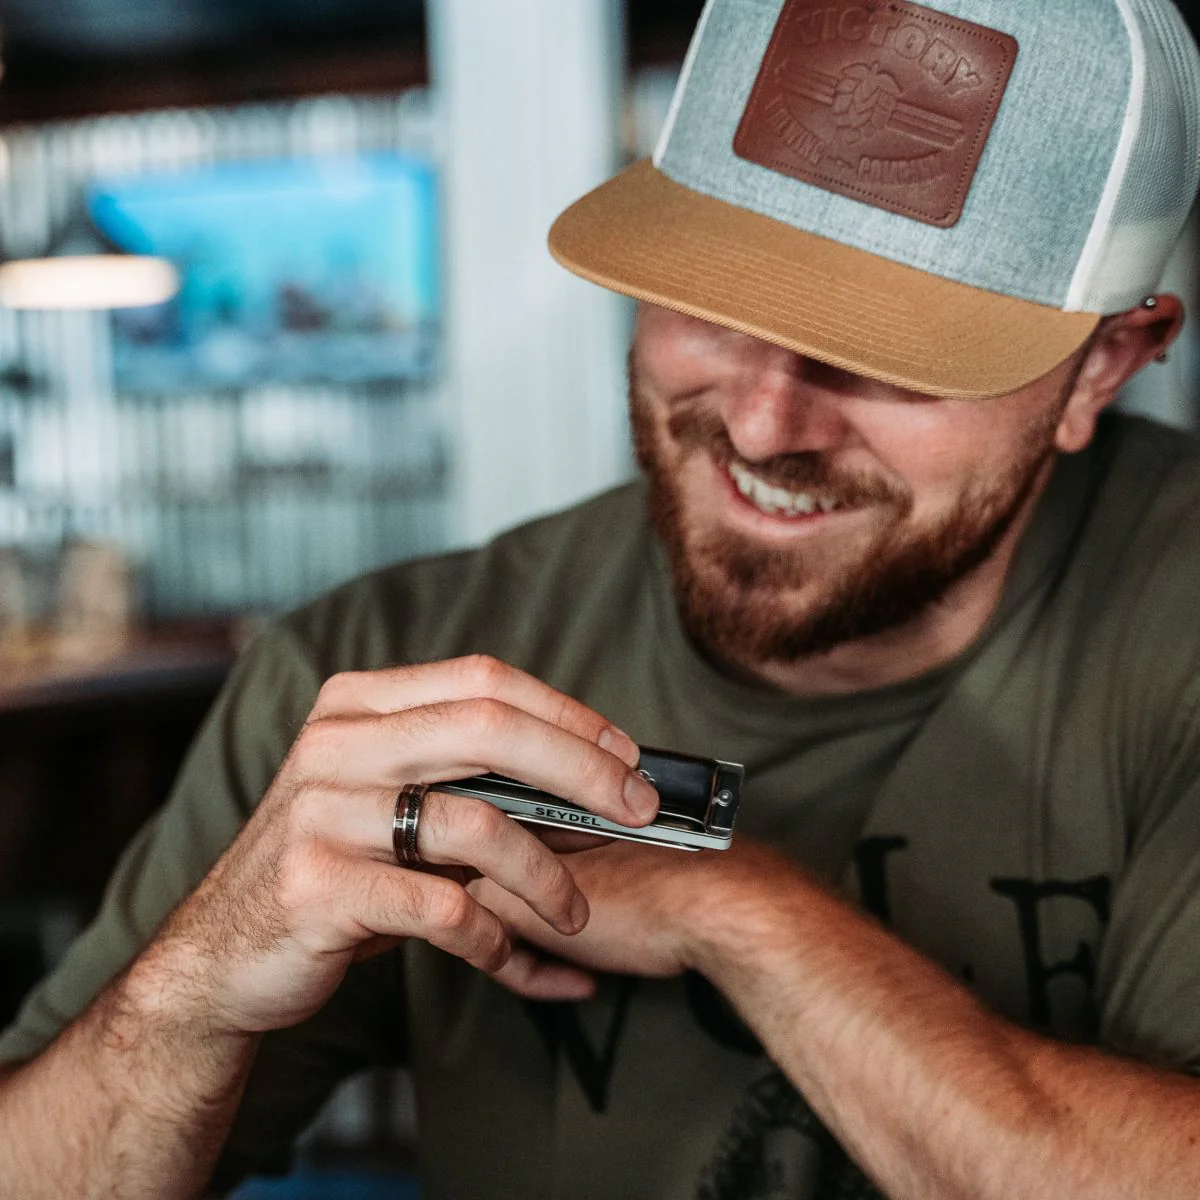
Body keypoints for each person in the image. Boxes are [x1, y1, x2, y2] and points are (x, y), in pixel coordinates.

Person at [3, 0, 1200, 1195]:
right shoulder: (383, 668)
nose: (761, 424)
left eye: (889, 357)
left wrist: (748, 916)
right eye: (713, 302)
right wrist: (182, 1000)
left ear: (1105, 363)